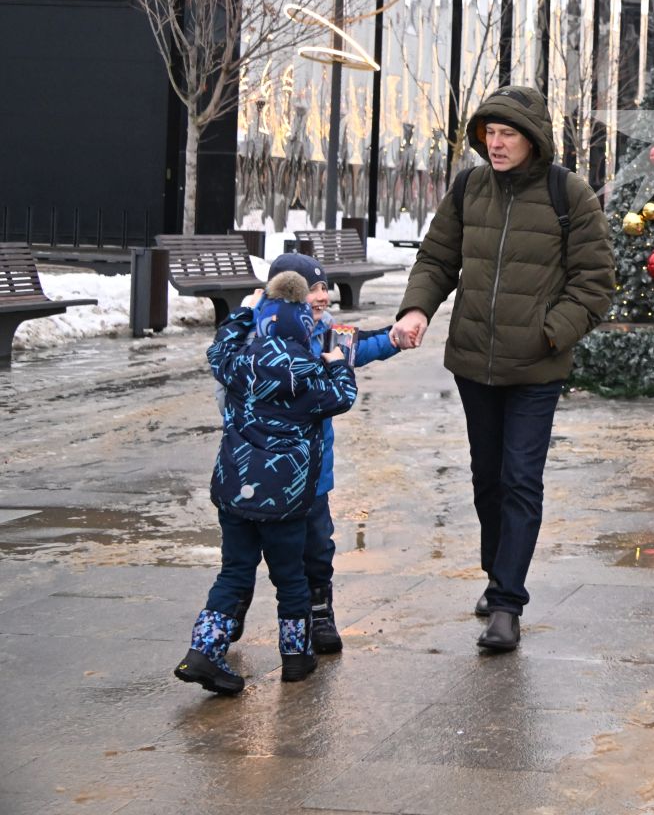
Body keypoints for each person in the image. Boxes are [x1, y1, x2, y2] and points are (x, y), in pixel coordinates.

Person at [390, 84, 614, 653]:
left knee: (520, 479)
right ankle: (498, 574)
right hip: (473, 360)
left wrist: (549, 333)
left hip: (536, 368)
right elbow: (437, 256)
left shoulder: (571, 194)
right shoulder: (469, 188)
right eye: (489, 132)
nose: (495, 143)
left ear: (533, 138)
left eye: (507, 133)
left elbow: (595, 283)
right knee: (486, 478)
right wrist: (417, 309)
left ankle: (508, 604)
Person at [175, 268, 357, 695]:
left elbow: (218, 349)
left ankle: (205, 651)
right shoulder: (310, 375)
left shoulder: (240, 365)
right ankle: (295, 657)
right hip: (287, 500)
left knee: (234, 572)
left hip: (235, 493)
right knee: (290, 577)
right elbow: (343, 397)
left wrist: (244, 311)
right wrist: (339, 363)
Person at [222, 253, 405, 656]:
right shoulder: (257, 340)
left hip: (309, 477)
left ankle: (319, 616)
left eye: (324, 287)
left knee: (316, 548)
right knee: (245, 555)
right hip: (256, 469)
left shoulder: (324, 333)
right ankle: (236, 613)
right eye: (312, 289)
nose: (322, 297)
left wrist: (394, 338)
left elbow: (363, 343)